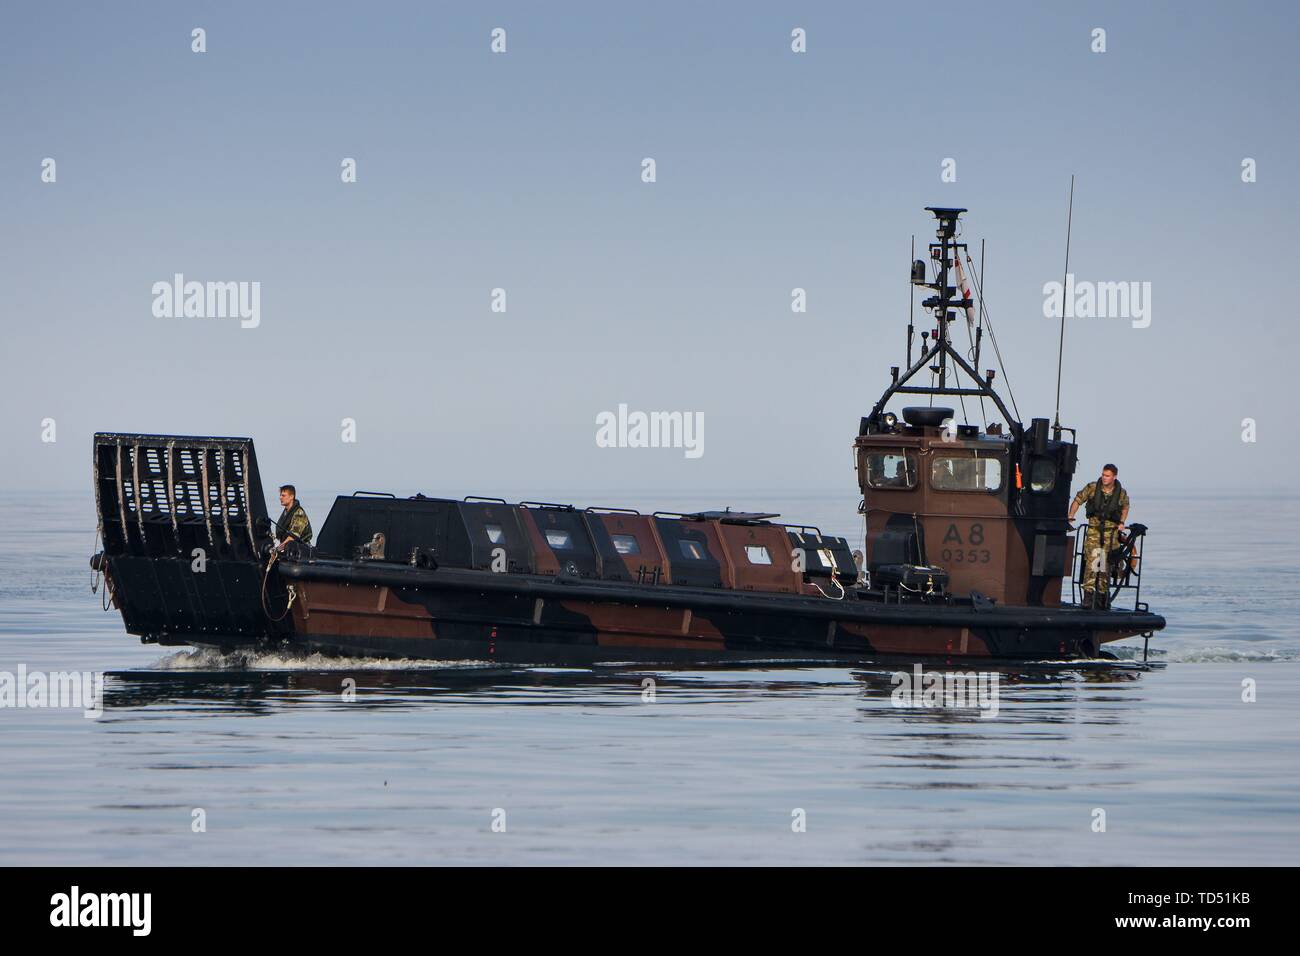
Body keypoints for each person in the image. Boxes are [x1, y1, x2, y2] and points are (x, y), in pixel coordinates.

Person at [1067, 464, 1130, 607]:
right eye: (1103, 475)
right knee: (1092, 564)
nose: (1104, 478)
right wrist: (1071, 515)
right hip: (1094, 532)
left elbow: (1126, 507)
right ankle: (1088, 597)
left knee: (1105, 567)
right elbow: (1078, 500)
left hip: (1111, 534)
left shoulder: (1121, 493)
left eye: (1107, 475)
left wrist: (1122, 522)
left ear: (1114, 477)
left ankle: (1102, 597)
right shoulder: (1092, 488)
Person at [275, 484, 312, 554]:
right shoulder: (285, 513)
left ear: (291, 496)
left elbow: (293, 537)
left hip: (301, 551)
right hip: (288, 550)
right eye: (280, 495)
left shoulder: (299, 514)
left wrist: (277, 550)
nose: (280, 498)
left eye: (283, 495)